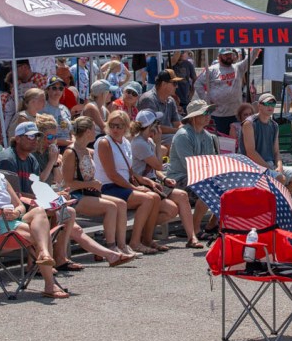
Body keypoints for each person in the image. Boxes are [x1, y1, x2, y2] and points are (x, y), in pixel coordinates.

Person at [0, 140, 68, 298]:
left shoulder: (1, 178)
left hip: (12, 221)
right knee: (41, 236)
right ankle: (49, 283)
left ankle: (45, 255)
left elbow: (20, 205)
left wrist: (16, 213)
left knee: (39, 211)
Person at [61, 116, 137, 261]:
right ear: (88, 131)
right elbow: (68, 183)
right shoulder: (71, 152)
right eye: (93, 129)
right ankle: (111, 247)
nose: (96, 132)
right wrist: (90, 184)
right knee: (111, 207)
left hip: (89, 192)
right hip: (74, 196)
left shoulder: (87, 151)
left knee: (121, 204)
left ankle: (122, 246)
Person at [93, 109, 164, 254]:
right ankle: (135, 242)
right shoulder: (104, 142)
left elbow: (129, 171)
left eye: (119, 126)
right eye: (112, 125)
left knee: (155, 197)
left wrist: (146, 181)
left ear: (126, 127)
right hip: (107, 187)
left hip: (122, 185)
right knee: (147, 199)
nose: (115, 129)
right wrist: (135, 188)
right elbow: (112, 174)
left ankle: (147, 239)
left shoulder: (125, 142)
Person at [129, 110, 203, 249]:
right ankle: (141, 233)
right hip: (142, 184)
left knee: (182, 195)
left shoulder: (147, 141)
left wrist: (164, 178)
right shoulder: (139, 143)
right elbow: (157, 164)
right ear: (151, 126)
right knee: (171, 209)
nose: (159, 126)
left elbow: (154, 169)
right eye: (157, 123)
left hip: (153, 182)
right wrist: (158, 143)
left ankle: (192, 237)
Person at [166, 100, 218, 238]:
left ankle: (212, 224)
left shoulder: (207, 136)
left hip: (199, 176)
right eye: (205, 112)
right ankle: (194, 229)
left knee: (224, 186)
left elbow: (212, 161)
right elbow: (189, 166)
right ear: (194, 116)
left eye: (209, 112)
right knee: (207, 189)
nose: (208, 115)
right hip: (178, 180)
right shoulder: (183, 135)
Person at [240, 93, 292, 194]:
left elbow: (276, 152)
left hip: (270, 165)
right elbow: (250, 152)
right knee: (280, 179)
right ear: (259, 105)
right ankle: (277, 201)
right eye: (267, 103)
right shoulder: (249, 123)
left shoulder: (274, 125)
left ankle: (282, 201)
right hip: (253, 166)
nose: (270, 106)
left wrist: (279, 167)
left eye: (273, 104)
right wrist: (270, 168)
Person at [194, 48, 257, 133]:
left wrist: (257, 47)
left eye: (230, 54)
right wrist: (206, 100)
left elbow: (251, 57)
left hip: (236, 114)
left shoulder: (238, 68)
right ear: (220, 56)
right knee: (221, 139)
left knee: (236, 139)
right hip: (218, 115)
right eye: (226, 55)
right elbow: (198, 84)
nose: (229, 57)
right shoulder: (212, 70)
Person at [138, 71, 184, 143]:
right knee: (177, 140)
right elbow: (153, 127)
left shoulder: (171, 100)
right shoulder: (148, 99)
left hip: (166, 136)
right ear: (164, 84)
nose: (177, 86)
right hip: (150, 138)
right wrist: (177, 131)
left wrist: (183, 129)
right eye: (174, 83)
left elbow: (177, 124)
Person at [39, 76, 73, 150]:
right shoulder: (42, 109)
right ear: (48, 90)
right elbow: (43, 136)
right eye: (54, 88)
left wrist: (74, 141)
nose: (58, 91)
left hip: (69, 145)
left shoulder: (65, 109)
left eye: (60, 88)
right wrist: (69, 143)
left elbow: (70, 131)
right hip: (52, 147)